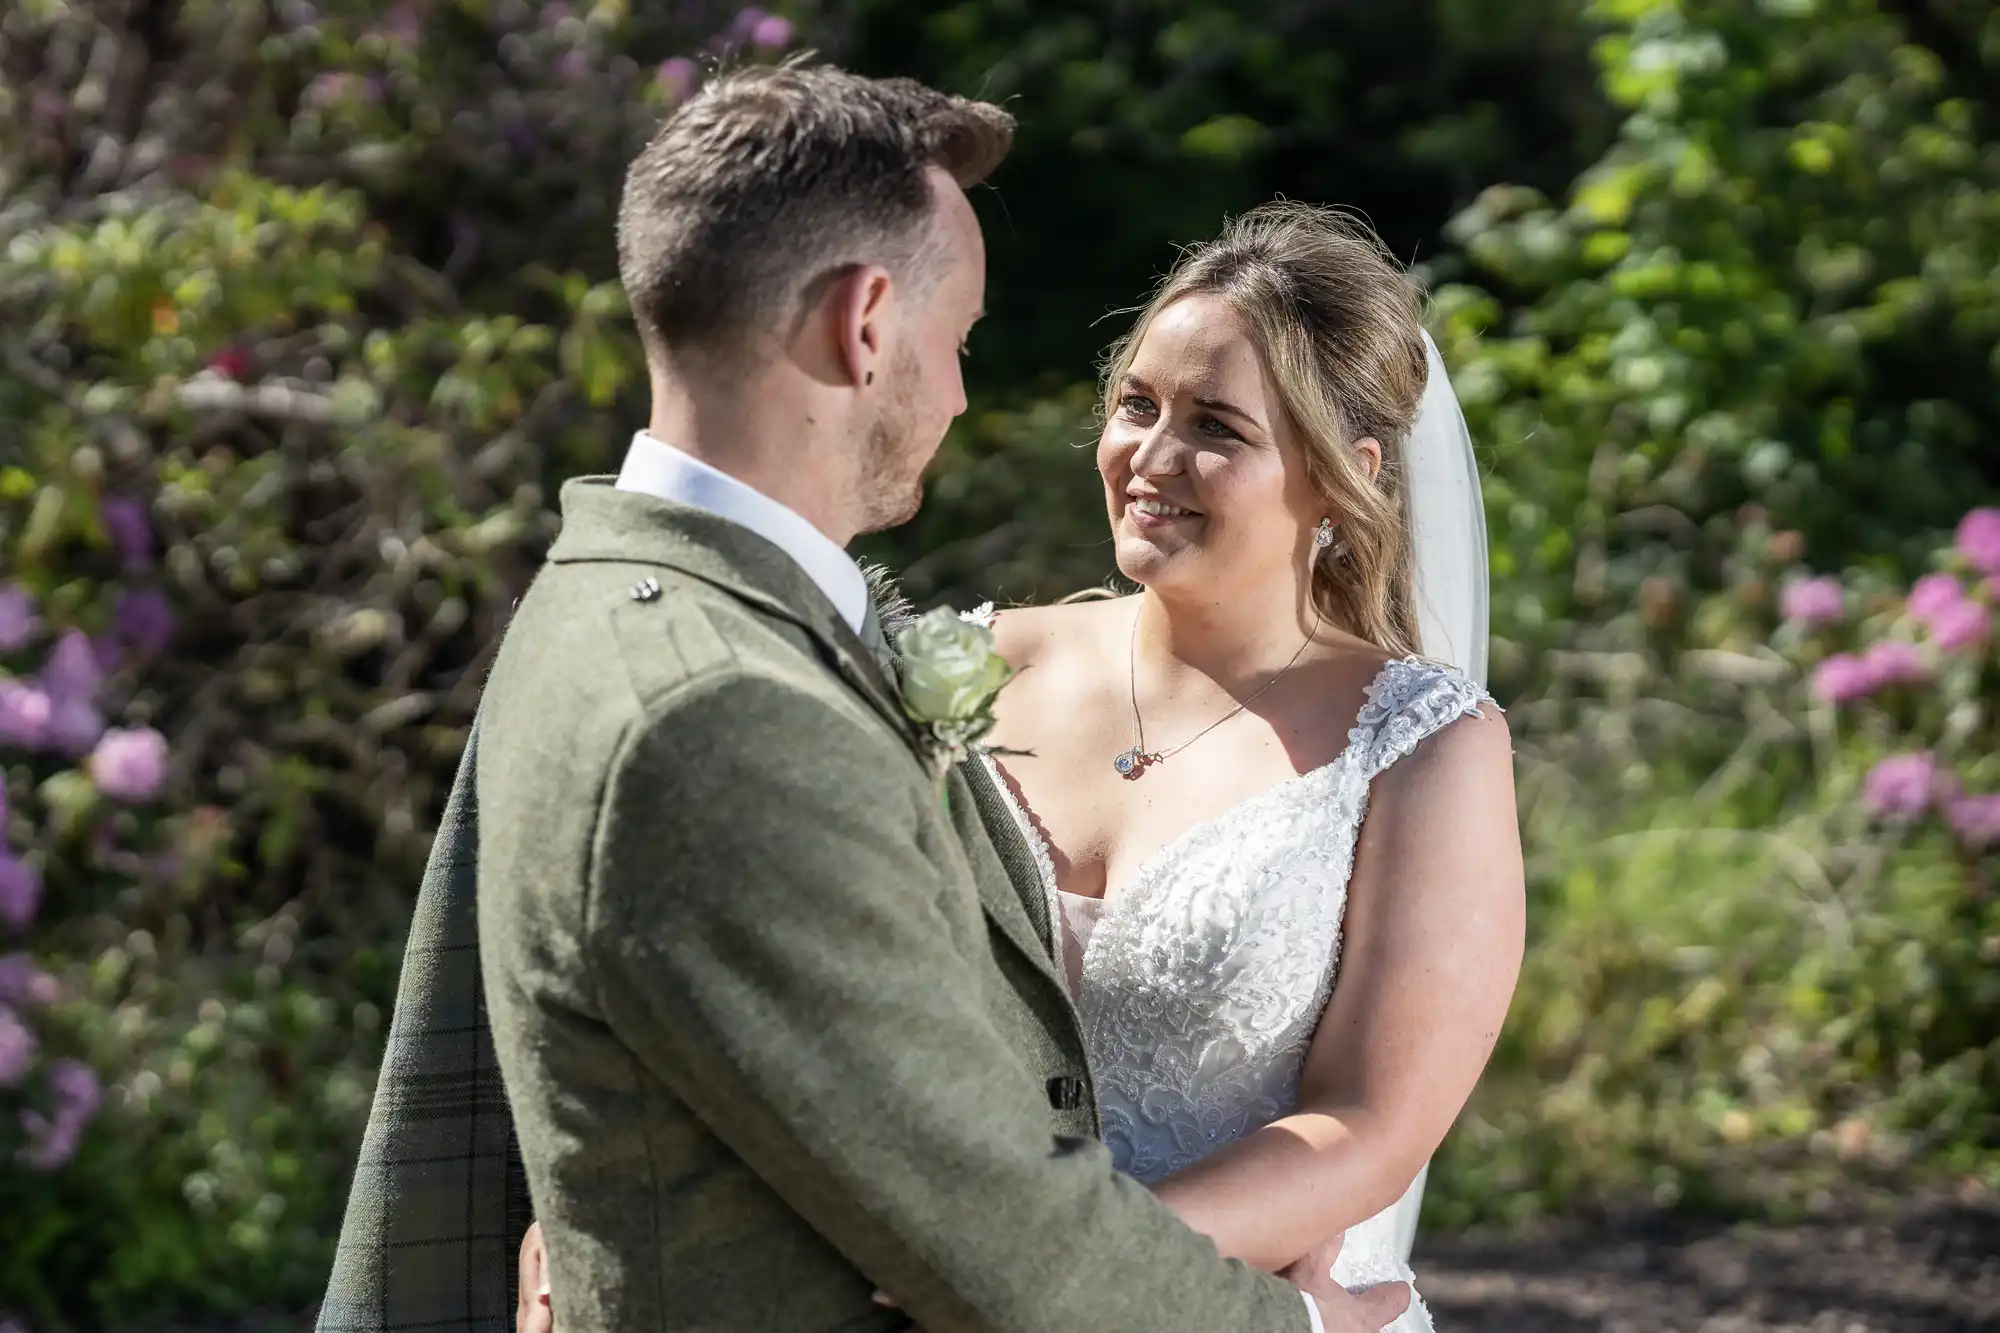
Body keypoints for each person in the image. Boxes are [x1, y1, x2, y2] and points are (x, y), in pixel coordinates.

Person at [318, 59, 1413, 1333]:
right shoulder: (728, 710)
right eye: (952, 345)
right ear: (864, 323)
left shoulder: (593, 602)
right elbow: (974, 1225)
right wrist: (1308, 1328)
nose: (955, 392)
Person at [953, 202, 1527, 1332]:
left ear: (1337, 480)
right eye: (1135, 405)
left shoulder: (1419, 746)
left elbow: (1366, 1123)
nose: (1151, 458)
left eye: (1216, 426)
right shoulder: (971, 667)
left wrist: (1056, 1271)